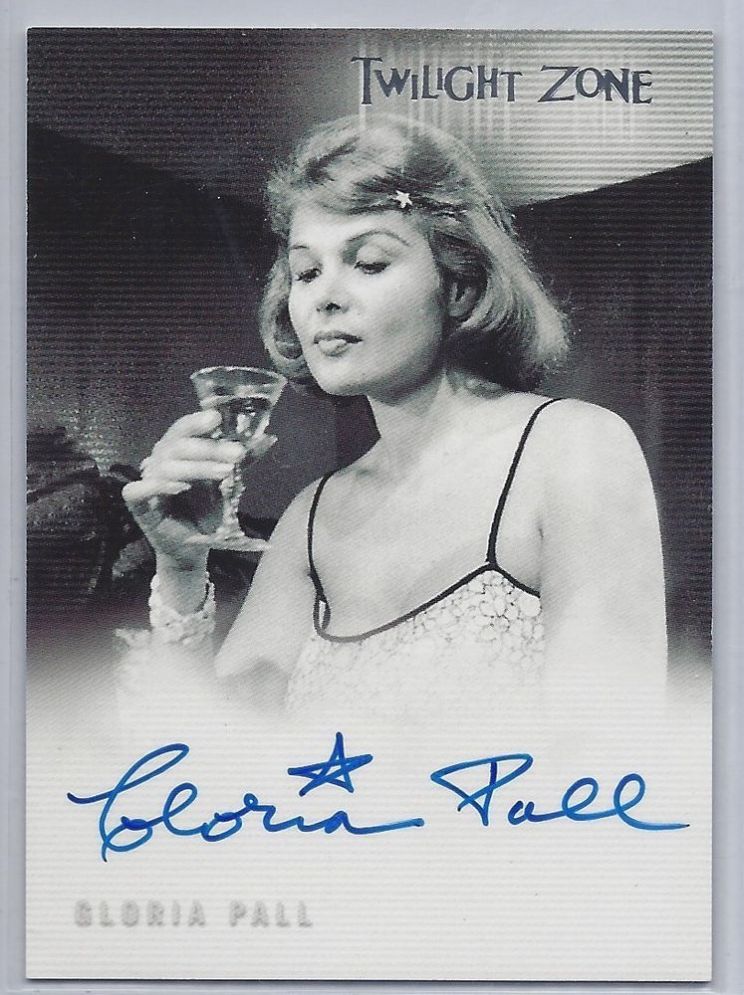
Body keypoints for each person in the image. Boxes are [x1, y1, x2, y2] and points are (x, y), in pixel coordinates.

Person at [122, 115, 666, 727]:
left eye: (370, 262)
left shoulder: (573, 448)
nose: (325, 296)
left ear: (458, 287)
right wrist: (181, 567)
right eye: (306, 272)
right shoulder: (311, 516)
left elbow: (611, 752)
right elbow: (209, 751)